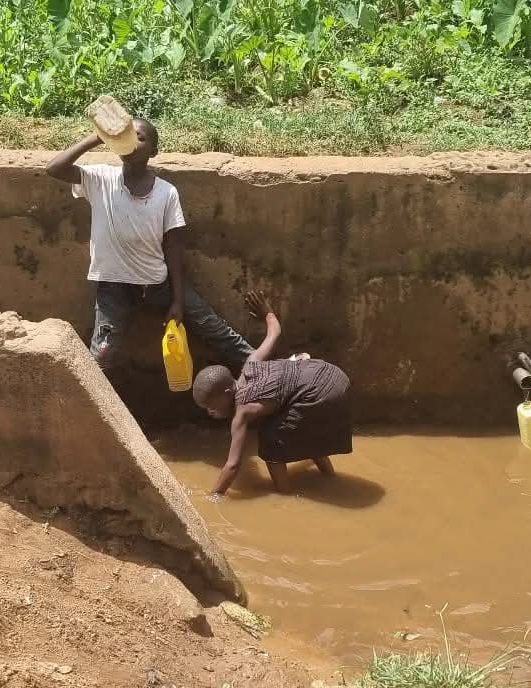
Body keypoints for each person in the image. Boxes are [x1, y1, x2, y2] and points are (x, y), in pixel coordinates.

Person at [45, 118, 253, 371]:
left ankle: (266, 368)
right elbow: (54, 169)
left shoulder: (166, 193)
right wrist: (97, 138)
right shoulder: (100, 179)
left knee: (213, 327)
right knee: (101, 358)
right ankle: (90, 407)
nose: (132, 142)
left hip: (157, 283)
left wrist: (177, 300)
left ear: (153, 151)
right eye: (127, 136)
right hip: (114, 288)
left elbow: (173, 247)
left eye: (140, 138)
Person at [192, 292, 353, 496]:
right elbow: (274, 333)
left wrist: (213, 496)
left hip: (322, 394)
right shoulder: (252, 363)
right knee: (305, 430)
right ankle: (330, 478)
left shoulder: (242, 412)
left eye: (212, 407)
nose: (210, 413)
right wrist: (266, 311)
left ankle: (284, 495)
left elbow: (232, 466)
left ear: (227, 392)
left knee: (271, 444)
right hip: (333, 375)